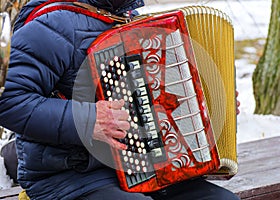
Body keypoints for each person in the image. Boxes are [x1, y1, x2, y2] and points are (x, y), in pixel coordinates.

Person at [0, 0, 240, 199]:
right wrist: (88, 119)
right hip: (70, 176)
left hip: (141, 168)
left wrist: (211, 105)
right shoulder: (48, 26)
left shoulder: (128, 17)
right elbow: (10, 102)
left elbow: (152, 97)